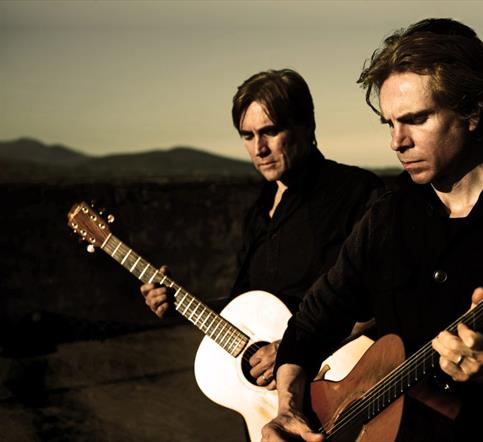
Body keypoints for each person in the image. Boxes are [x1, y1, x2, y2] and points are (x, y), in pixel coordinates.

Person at [262, 18, 483, 442]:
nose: (397, 141)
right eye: (390, 123)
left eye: (416, 119)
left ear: (472, 112)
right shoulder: (386, 217)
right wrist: (288, 408)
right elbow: (311, 324)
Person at [140, 69, 382, 389]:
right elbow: (244, 312)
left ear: (306, 126)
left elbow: (385, 298)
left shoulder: (357, 192)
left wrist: (292, 348)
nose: (259, 149)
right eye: (247, 135)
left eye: (270, 131)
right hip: (265, 404)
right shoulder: (259, 211)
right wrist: (179, 303)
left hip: (334, 386)